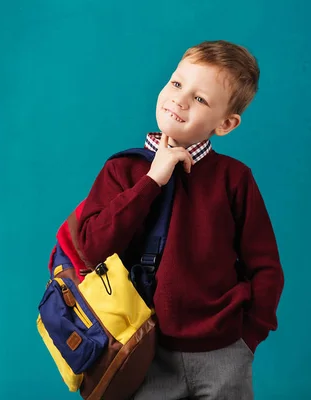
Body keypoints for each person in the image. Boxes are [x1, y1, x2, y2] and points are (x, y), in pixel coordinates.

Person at [76, 40, 284, 399]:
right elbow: (92, 248)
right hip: (144, 353)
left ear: (227, 124)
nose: (180, 99)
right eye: (176, 84)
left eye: (200, 99)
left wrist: (249, 334)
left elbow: (265, 265)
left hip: (223, 351)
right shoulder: (122, 170)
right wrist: (151, 181)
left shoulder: (234, 179)